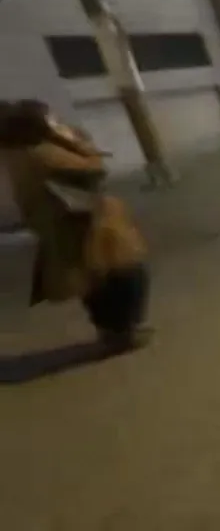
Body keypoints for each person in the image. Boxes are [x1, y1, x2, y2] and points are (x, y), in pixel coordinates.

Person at [0, 100, 151, 352]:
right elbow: (94, 169)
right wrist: (77, 140)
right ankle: (124, 331)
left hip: (62, 225)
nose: (57, 122)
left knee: (94, 281)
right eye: (51, 119)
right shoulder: (43, 152)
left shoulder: (16, 153)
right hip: (83, 223)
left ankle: (112, 332)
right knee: (126, 273)